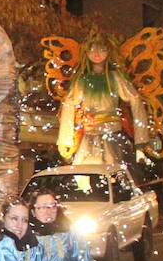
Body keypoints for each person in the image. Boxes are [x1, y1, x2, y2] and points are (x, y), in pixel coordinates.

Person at [55, 33, 149, 165]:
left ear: (109, 51)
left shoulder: (115, 77)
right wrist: (65, 140)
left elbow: (135, 99)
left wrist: (140, 141)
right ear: (86, 52)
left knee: (113, 168)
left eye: (102, 49)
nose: (97, 53)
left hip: (112, 133)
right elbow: (69, 104)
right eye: (92, 49)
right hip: (90, 133)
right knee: (83, 173)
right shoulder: (83, 79)